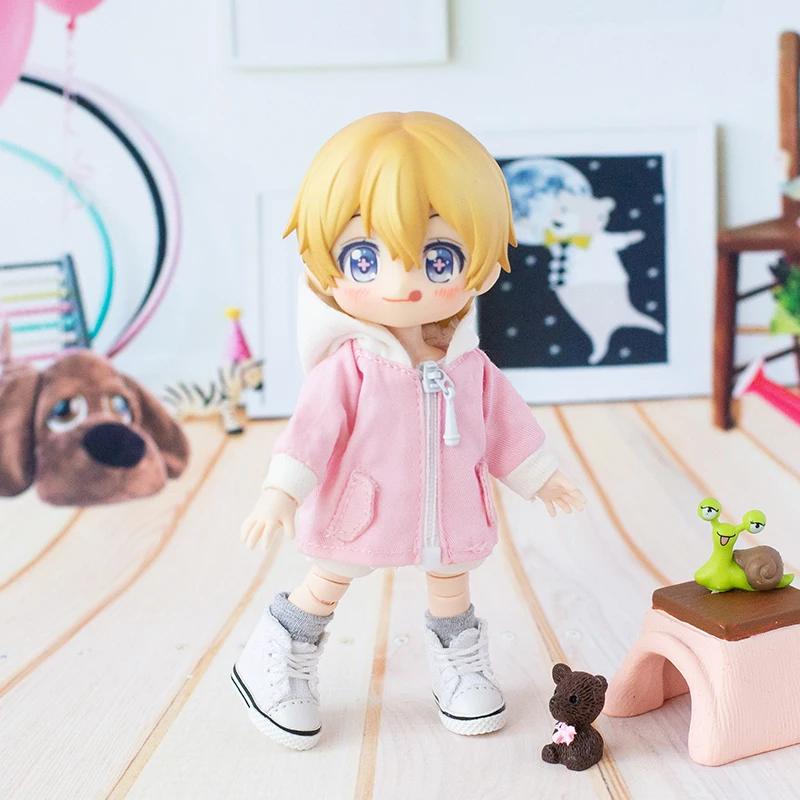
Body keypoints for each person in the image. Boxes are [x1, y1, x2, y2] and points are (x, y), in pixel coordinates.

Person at [232, 111, 586, 751]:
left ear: (481, 266)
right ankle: (278, 651)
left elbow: (506, 425)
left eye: (439, 258)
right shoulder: (350, 366)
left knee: (451, 579)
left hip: (450, 508)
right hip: (359, 506)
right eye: (363, 259)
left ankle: (460, 665)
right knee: (330, 577)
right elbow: (310, 433)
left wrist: (542, 477)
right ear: (325, 266)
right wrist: (279, 492)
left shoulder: (469, 365)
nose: (401, 284)